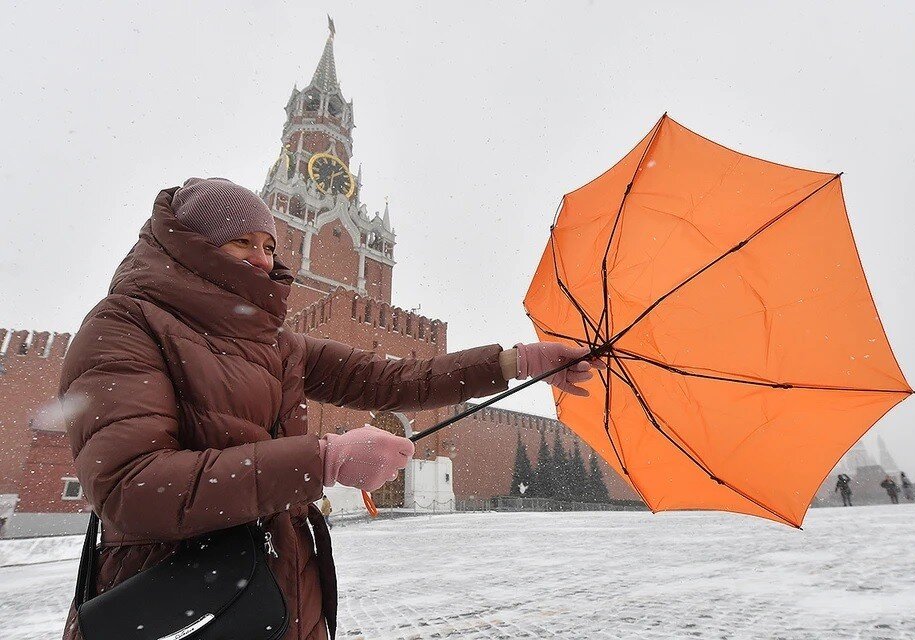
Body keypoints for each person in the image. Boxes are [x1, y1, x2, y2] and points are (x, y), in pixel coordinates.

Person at [58, 178, 604, 640]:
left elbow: (394, 379)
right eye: (240, 242)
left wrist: (516, 361)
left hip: (282, 592)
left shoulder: (275, 343)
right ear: (191, 245)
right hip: (182, 604)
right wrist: (320, 461)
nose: (262, 258)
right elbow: (131, 489)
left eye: (269, 244)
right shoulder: (125, 326)